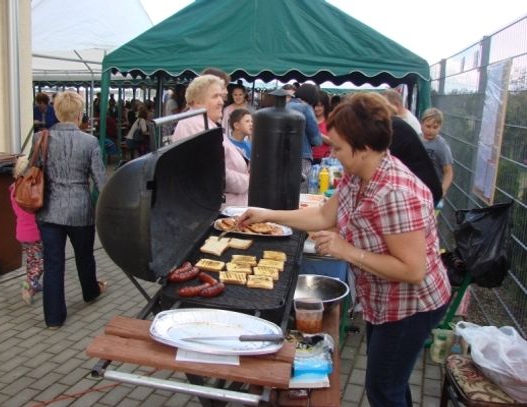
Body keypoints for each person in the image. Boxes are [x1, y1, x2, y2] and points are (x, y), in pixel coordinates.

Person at [238, 92, 451, 407]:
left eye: (338, 147)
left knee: (383, 389)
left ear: (363, 148)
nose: (333, 154)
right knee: (389, 381)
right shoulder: (359, 173)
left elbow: (413, 269)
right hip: (382, 300)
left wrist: (347, 251)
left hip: (411, 307)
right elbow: (324, 215)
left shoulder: (395, 193)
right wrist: (267, 214)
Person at [32, 90, 107, 329]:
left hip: (48, 210)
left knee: (54, 263)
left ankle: (54, 318)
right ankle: (90, 292)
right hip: (80, 210)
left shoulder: (40, 138)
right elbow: (100, 180)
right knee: (85, 255)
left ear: (56, 111)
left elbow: (34, 173)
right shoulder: (90, 141)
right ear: (80, 114)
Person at [173, 74, 249, 208]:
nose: (221, 101)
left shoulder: (206, 123)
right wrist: (247, 180)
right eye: (215, 96)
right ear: (197, 102)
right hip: (215, 211)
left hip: (225, 207)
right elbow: (214, 174)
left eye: (221, 96)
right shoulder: (195, 124)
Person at [9, 156, 44, 305]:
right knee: (42, 262)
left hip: (22, 232)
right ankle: (29, 284)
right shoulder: (31, 190)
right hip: (34, 233)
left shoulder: (13, 188)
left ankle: (31, 285)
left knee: (31, 260)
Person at [286, 83, 322, 192]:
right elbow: (316, 139)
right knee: (301, 191)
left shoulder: (286, 106)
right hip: (302, 155)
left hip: (284, 155)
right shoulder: (305, 107)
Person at [420, 108, 454, 197]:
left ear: (440, 127)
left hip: (432, 191)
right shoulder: (417, 140)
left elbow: (448, 172)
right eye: (428, 126)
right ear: (421, 124)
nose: (431, 130)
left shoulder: (441, 145)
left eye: (435, 127)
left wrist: (443, 190)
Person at [311, 90, 332, 164]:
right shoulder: (308, 118)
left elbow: (334, 142)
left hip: (325, 160)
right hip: (308, 159)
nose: (316, 109)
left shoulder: (330, 120)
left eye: (320, 106)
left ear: (325, 106)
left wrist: (317, 133)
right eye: (314, 106)